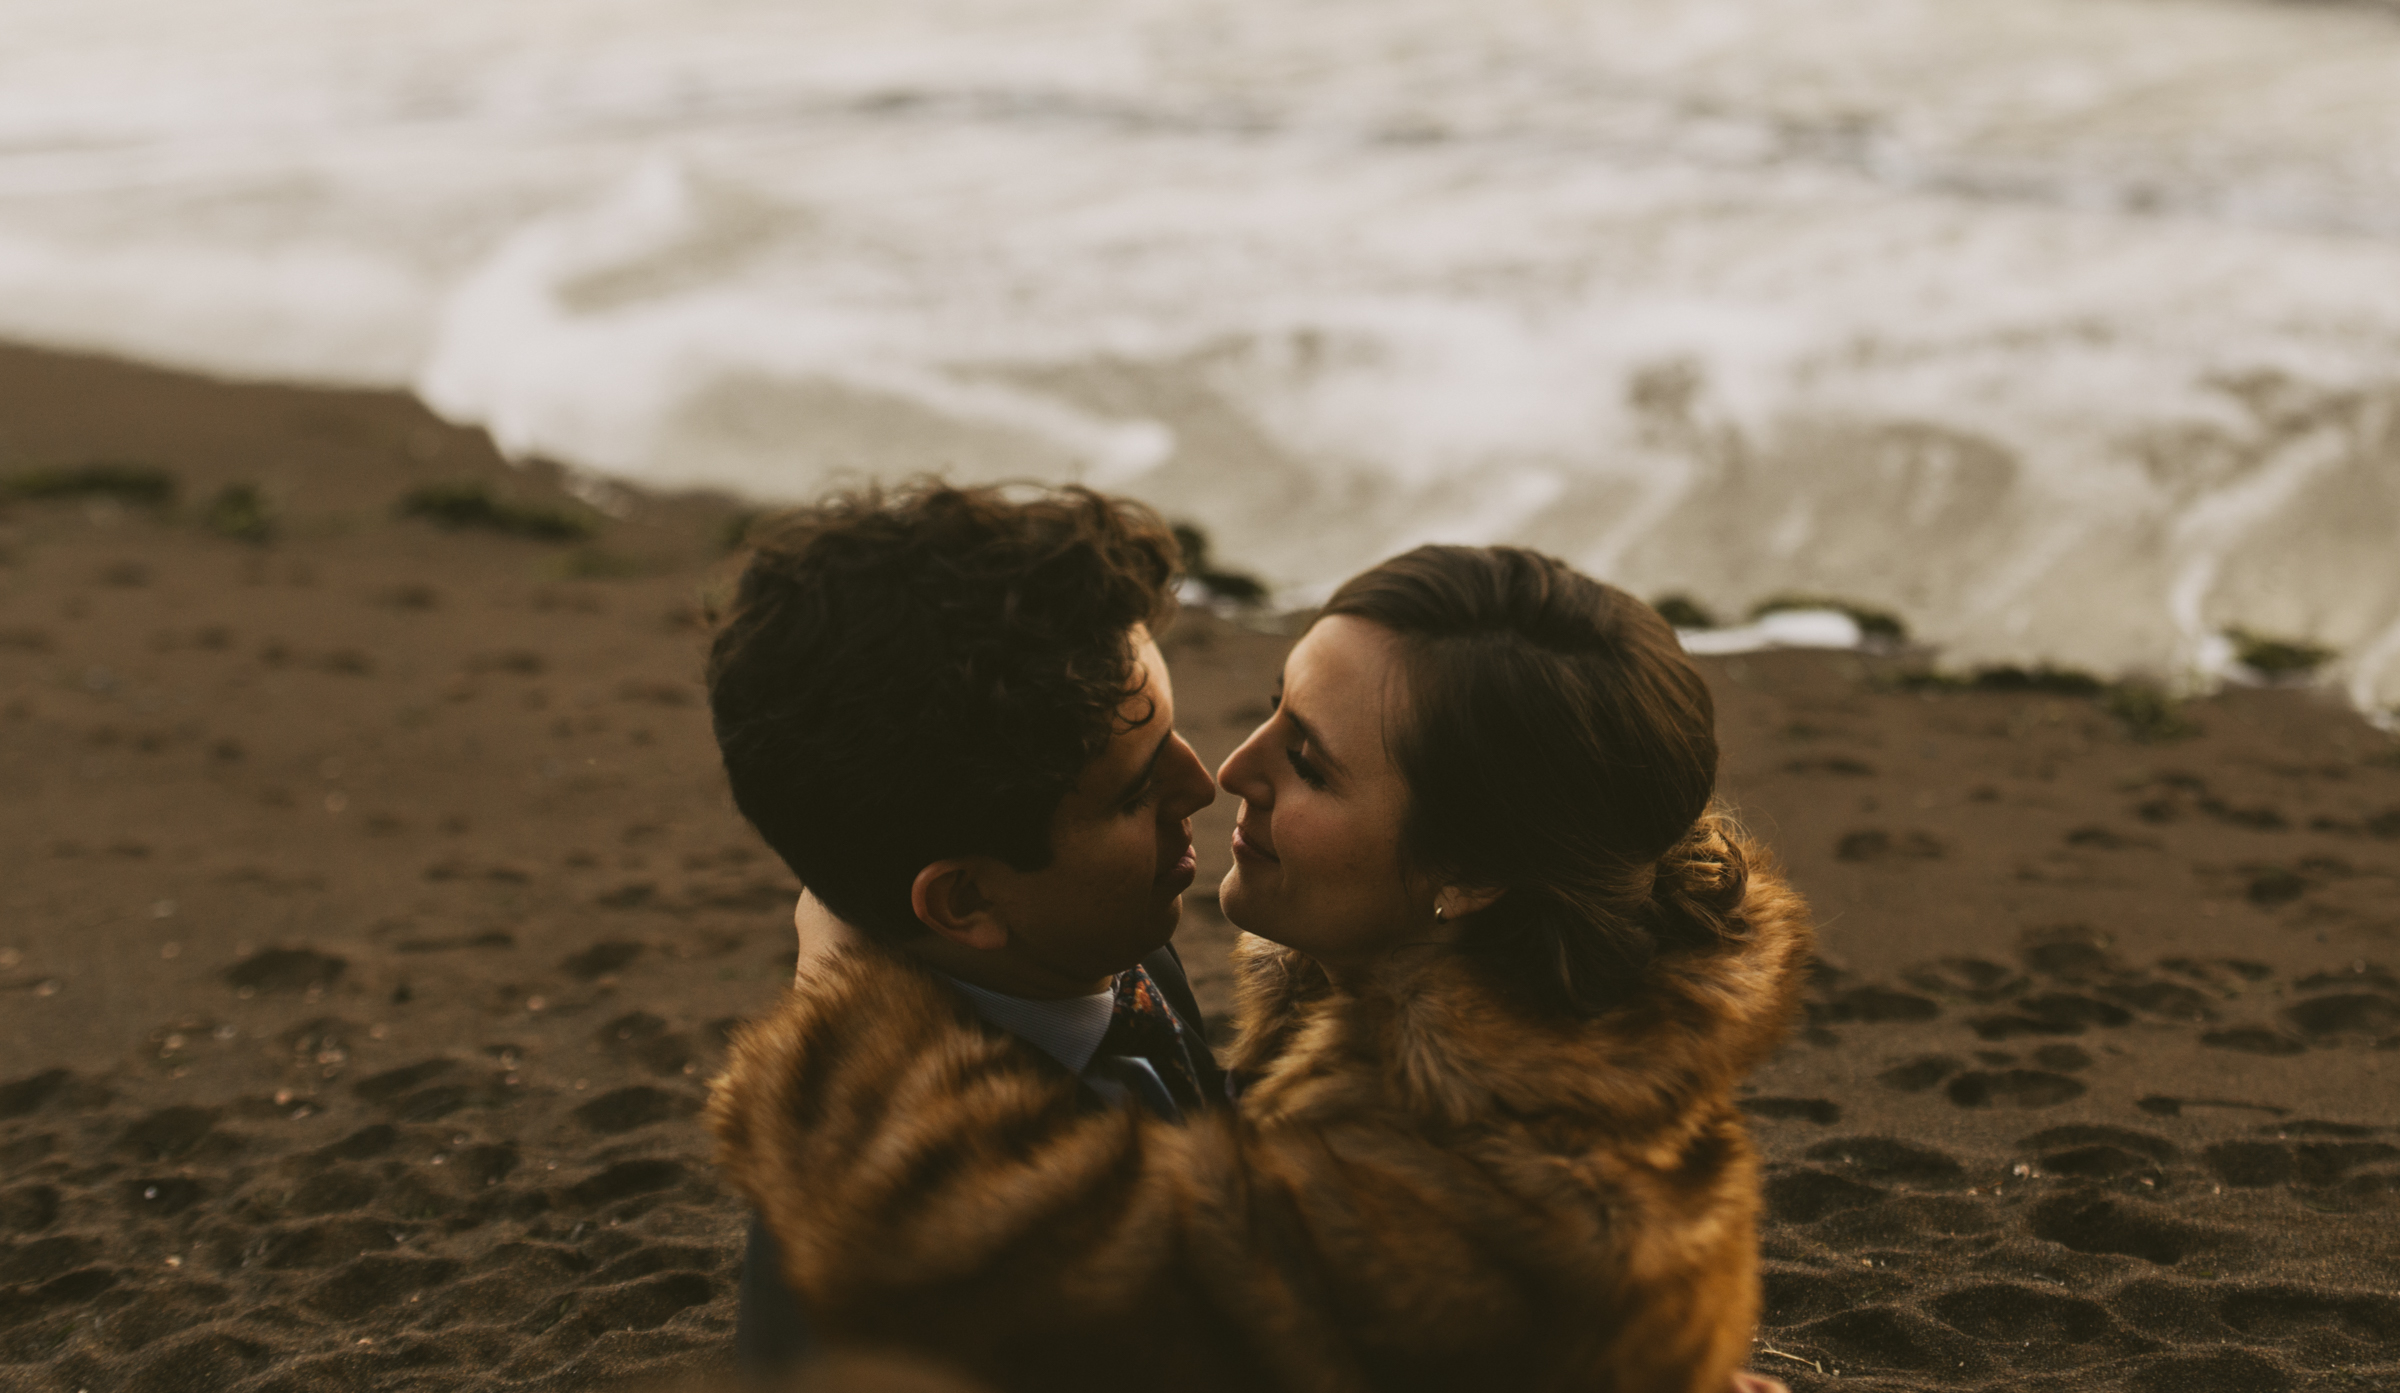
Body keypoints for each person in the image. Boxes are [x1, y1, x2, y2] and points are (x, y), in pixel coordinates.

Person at [710, 544, 1815, 1393]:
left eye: (1313, 759)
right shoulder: (1477, 999)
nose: (1233, 768)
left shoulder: (1498, 1206)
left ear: (1471, 872)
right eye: (1280, 705)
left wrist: (840, 999)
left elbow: (1039, 1261)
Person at [702, 481, 1226, 1371]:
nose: (1203, 785)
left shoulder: (1086, 940)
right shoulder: (917, 1277)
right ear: (966, 903)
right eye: (1137, 792)